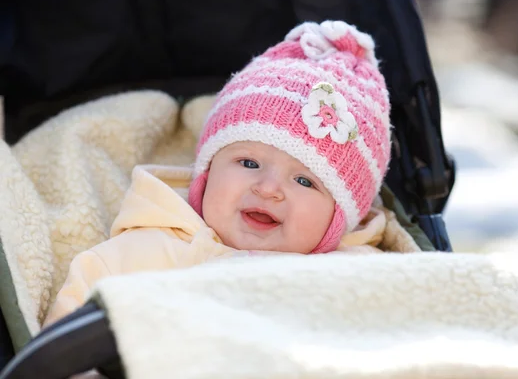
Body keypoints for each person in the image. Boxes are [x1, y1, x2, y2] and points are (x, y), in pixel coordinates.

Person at [43, 20, 394, 326]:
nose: (269, 188)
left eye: (305, 181)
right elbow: (64, 345)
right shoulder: (143, 255)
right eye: (249, 163)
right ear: (206, 174)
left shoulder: (360, 277)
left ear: (340, 218)